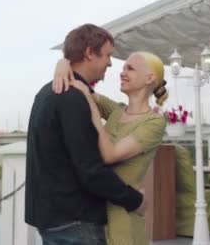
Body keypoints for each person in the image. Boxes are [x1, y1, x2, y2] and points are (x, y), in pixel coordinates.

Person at [25, 24, 146, 245]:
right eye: (108, 55)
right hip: (76, 223)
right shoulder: (73, 98)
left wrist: (63, 63)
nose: (110, 63)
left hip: (52, 220)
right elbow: (90, 169)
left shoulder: (46, 93)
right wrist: (135, 200)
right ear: (90, 53)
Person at [52, 49, 168, 245]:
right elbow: (81, 86)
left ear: (149, 78)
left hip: (123, 217)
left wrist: (91, 107)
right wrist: (63, 64)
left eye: (130, 68)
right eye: (123, 68)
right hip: (96, 215)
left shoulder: (154, 122)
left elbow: (110, 155)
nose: (122, 72)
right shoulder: (117, 110)